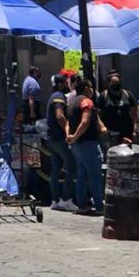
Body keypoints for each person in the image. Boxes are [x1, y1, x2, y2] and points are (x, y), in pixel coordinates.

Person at [67, 79, 106, 216]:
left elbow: (68, 122)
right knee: (95, 176)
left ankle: (82, 205)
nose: (92, 90)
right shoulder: (86, 102)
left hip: (77, 146)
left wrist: (70, 137)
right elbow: (85, 122)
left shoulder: (72, 103)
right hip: (87, 144)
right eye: (90, 87)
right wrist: (76, 136)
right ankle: (100, 206)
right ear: (85, 88)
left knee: (82, 176)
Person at [45, 75, 78, 212]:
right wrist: (68, 131)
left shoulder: (53, 96)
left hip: (51, 139)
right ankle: (66, 199)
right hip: (59, 139)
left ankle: (55, 200)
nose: (66, 85)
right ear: (59, 84)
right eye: (65, 82)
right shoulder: (59, 96)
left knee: (55, 169)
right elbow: (59, 116)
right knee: (71, 165)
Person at [97, 71, 138, 146]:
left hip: (126, 133)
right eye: (113, 82)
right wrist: (102, 126)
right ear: (109, 83)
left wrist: (134, 130)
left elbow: (134, 114)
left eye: (117, 82)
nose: (115, 84)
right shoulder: (103, 96)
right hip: (110, 133)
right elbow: (97, 114)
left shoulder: (128, 95)